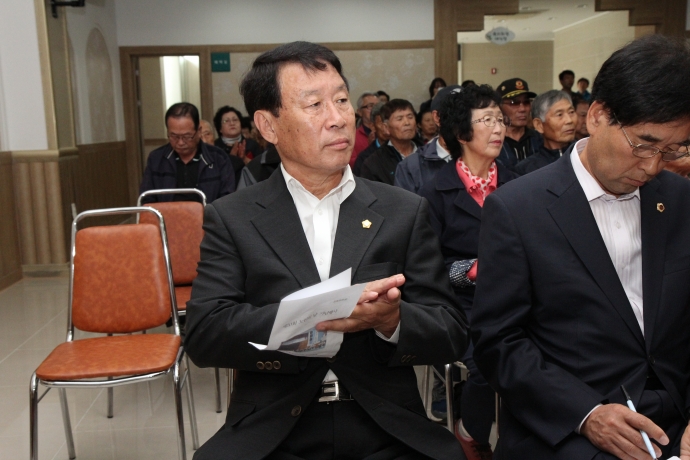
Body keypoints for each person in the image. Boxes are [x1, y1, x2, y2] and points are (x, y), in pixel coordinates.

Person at [185, 41, 468, 460]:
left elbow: (451, 331)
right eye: (314, 105)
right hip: (274, 428)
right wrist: (311, 317)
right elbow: (205, 334)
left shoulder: (402, 210)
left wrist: (392, 321)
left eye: (341, 100)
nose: (338, 118)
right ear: (268, 126)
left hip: (386, 425)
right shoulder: (233, 217)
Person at [472, 34, 690, 459]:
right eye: (643, 144)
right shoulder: (519, 208)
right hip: (574, 424)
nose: (652, 166)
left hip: (677, 419)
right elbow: (499, 342)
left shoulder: (680, 199)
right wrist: (587, 414)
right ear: (598, 116)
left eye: (672, 150)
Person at [419, 84, 518, 460]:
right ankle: (470, 430)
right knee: (491, 362)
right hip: (462, 306)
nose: (498, 128)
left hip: (517, 298)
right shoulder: (435, 192)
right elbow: (426, 267)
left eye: (500, 119)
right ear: (462, 133)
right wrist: (472, 271)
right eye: (486, 120)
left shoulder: (517, 184)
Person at [139, 102, 234, 203]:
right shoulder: (156, 159)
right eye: (174, 136)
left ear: (199, 131)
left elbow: (227, 199)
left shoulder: (218, 158)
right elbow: (146, 199)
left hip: (208, 213)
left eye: (187, 136)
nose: (180, 142)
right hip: (165, 213)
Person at [394, 85, 460, 194]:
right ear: (437, 117)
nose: (463, 119)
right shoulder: (410, 167)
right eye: (455, 112)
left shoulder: (482, 159)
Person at [514, 90, 576, 175]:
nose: (569, 120)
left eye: (571, 112)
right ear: (539, 125)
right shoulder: (527, 170)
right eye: (559, 115)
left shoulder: (586, 156)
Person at [360, 99, 419, 185]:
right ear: (386, 128)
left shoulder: (428, 152)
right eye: (399, 119)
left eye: (410, 117)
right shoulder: (374, 162)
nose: (407, 123)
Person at [496, 78, 541, 171]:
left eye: (526, 102)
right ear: (500, 107)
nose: (522, 109)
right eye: (514, 102)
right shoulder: (494, 141)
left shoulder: (539, 139)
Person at [352, 102, 389, 176]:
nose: (386, 127)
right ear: (373, 127)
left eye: (389, 122)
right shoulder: (365, 158)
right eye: (381, 123)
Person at [351, 92, 379, 166]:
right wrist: (371, 147)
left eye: (377, 106)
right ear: (360, 112)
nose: (375, 109)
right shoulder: (353, 137)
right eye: (370, 106)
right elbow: (354, 165)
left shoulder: (389, 133)